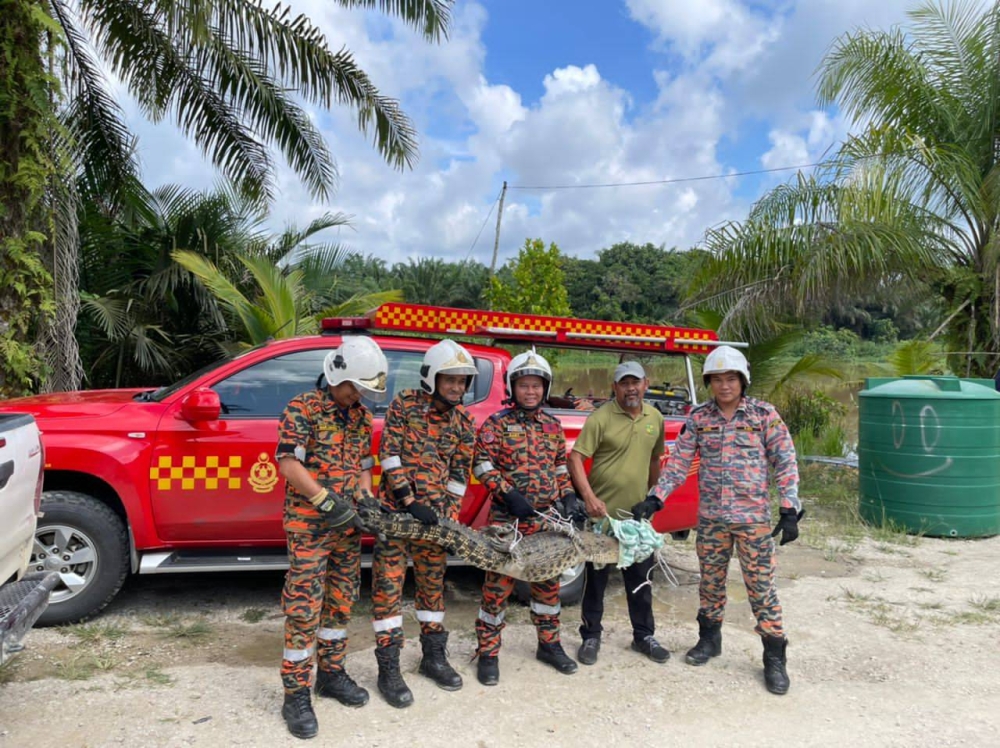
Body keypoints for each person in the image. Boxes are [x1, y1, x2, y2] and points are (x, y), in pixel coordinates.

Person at [647, 345, 802, 695]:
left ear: (743, 380)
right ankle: (709, 641)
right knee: (710, 584)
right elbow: (679, 462)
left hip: (753, 521)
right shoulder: (700, 418)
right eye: (717, 380)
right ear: (709, 384)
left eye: (731, 378)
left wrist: (790, 508)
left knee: (761, 589)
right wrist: (656, 497)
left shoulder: (764, 415)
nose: (724, 386)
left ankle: (774, 659)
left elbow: (785, 461)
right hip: (712, 521)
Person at [275, 336, 388, 739]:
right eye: (353, 386)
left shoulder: (359, 416)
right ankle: (295, 692)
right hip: (309, 528)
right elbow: (288, 463)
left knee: (340, 603)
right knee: (305, 607)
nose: (357, 394)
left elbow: (361, 465)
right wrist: (325, 502)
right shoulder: (301, 409)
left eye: (364, 389)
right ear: (336, 375)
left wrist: (366, 499)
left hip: (347, 528)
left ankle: (332, 674)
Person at [371, 339, 477, 708]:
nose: (457, 388)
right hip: (398, 518)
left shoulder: (465, 422)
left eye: (463, 381)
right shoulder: (405, 405)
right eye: (450, 379)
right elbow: (389, 453)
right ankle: (389, 669)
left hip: (435, 524)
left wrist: (447, 518)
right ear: (432, 378)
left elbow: (459, 474)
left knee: (433, 590)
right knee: (387, 591)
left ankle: (433, 657)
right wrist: (409, 501)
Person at [471, 350, 585, 686]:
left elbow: (559, 466)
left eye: (536, 386)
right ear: (513, 387)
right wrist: (507, 492)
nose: (530, 392)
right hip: (508, 524)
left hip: (545, 522)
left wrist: (567, 494)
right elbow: (482, 465)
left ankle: (549, 645)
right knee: (496, 589)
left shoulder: (552, 426)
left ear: (545, 388)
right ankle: (488, 653)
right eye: (524, 385)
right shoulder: (497, 425)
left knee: (548, 587)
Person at [567, 360, 671, 667]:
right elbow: (575, 459)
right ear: (614, 387)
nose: (630, 389)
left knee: (640, 581)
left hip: (637, 521)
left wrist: (653, 497)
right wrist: (588, 498)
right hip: (603, 521)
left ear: (645, 383)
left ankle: (644, 636)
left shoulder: (655, 417)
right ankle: (590, 636)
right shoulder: (600, 418)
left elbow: (656, 459)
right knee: (595, 583)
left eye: (635, 382)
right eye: (624, 383)